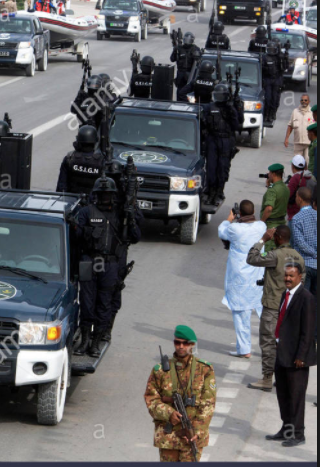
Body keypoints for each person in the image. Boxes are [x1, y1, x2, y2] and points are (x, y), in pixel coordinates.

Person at [74, 176, 142, 357]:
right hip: (89, 261)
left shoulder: (120, 213)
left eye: (108, 194)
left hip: (110, 263)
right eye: (102, 194)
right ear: (96, 195)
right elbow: (77, 236)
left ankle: (96, 342)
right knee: (87, 304)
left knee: (104, 305)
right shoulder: (86, 212)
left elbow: (135, 237)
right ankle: (85, 341)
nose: (105, 198)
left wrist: (131, 217)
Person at [144, 325, 217, 462]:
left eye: (185, 343)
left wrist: (197, 431)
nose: (181, 346)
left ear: (192, 345)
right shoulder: (160, 371)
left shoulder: (204, 370)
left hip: (192, 437)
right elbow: (151, 399)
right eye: (177, 342)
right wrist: (168, 413)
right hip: (168, 437)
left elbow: (209, 404)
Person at [246, 226, 305, 392]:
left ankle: (266, 378)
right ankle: (284, 379)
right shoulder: (299, 258)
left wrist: (263, 240)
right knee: (286, 344)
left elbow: (252, 258)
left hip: (273, 306)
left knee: (268, 342)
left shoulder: (275, 255)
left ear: (277, 237)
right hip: (291, 307)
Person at [266, 263, 316, 448]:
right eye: (286, 275)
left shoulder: (306, 298)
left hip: (297, 358)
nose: (287, 279)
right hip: (282, 353)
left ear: (300, 277)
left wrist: (301, 356)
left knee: (296, 397)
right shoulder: (285, 295)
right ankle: (286, 429)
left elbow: (308, 331)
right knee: (283, 394)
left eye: (291, 276)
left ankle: (298, 434)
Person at [218, 201, 267, 358]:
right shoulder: (261, 227)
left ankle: (244, 349)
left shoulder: (234, 228)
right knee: (265, 313)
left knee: (240, 314)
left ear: (240, 213)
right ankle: (275, 344)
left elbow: (221, 231)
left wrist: (229, 218)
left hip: (239, 278)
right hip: (258, 277)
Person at [56, 126, 105, 194]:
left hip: (71, 200)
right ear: (95, 141)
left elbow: (61, 186)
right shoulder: (101, 161)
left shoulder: (69, 158)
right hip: (92, 202)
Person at [291, 188, 317, 314]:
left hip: (304, 265)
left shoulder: (297, 218)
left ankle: (304, 330)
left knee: (303, 301)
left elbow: (300, 243)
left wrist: (314, 254)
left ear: (299, 198)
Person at [260, 164, 290, 246]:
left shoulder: (272, 190)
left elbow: (269, 209)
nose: (268, 175)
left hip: (271, 226)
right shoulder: (285, 188)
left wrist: (261, 222)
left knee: (268, 253)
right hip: (281, 223)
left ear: (273, 174)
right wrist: (269, 186)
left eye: (269, 173)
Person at [284, 95, 315, 163]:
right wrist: (286, 139)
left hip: (309, 143)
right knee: (297, 163)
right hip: (298, 143)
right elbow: (290, 126)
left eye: (305, 100)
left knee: (307, 161)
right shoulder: (295, 111)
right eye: (302, 100)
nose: (304, 101)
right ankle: (299, 174)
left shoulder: (312, 113)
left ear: (309, 101)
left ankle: (306, 174)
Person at [261, 42, 285, 127]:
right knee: (267, 98)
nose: (271, 51)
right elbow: (261, 69)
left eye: (273, 49)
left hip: (276, 80)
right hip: (267, 79)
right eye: (270, 49)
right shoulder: (264, 57)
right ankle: (266, 115)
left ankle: (272, 114)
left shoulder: (279, 57)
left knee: (275, 99)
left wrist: (283, 56)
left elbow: (284, 67)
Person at [172, 32, 202, 97]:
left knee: (190, 92)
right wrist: (174, 51)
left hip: (191, 72)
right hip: (180, 73)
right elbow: (172, 59)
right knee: (180, 92)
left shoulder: (196, 49)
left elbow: (200, 62)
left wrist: (197, 57)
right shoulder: (179, 48)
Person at [286, 156, 314, 220]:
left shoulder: (295, 178)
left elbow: (287, 194)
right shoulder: (310, 176)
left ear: (292, 166)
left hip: (295, 213)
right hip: (308, 210)